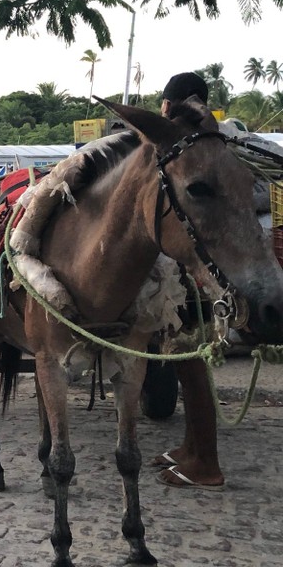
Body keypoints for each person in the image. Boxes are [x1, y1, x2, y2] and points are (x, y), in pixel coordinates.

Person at [151, 71, 224, 489]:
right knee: (188, 367)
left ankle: (206, 465)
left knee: (191, 364)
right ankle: (191, 449)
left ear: (168, 105)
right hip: (196, 270)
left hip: (188, 272)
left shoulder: (185, 145)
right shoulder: (211, 138)